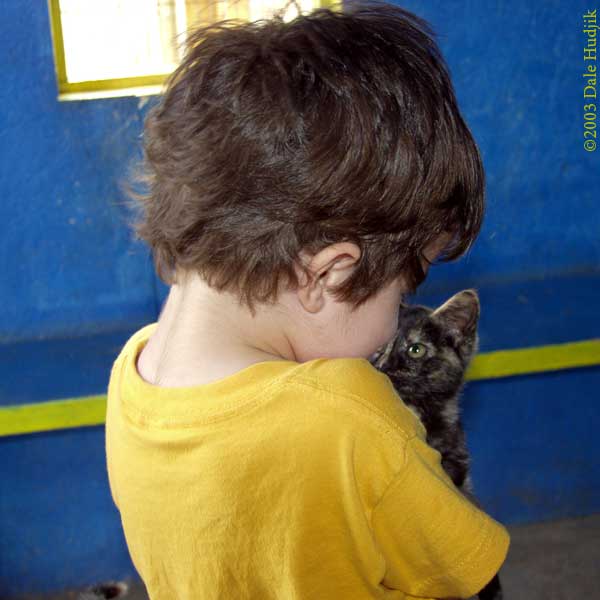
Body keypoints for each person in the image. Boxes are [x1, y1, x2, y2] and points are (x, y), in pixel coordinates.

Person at [106, 1, 509, 598]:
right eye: (405, 288)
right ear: (328, 276)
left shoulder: (133, 377)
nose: (394, 323)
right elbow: (461, 571)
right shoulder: (348, 417)